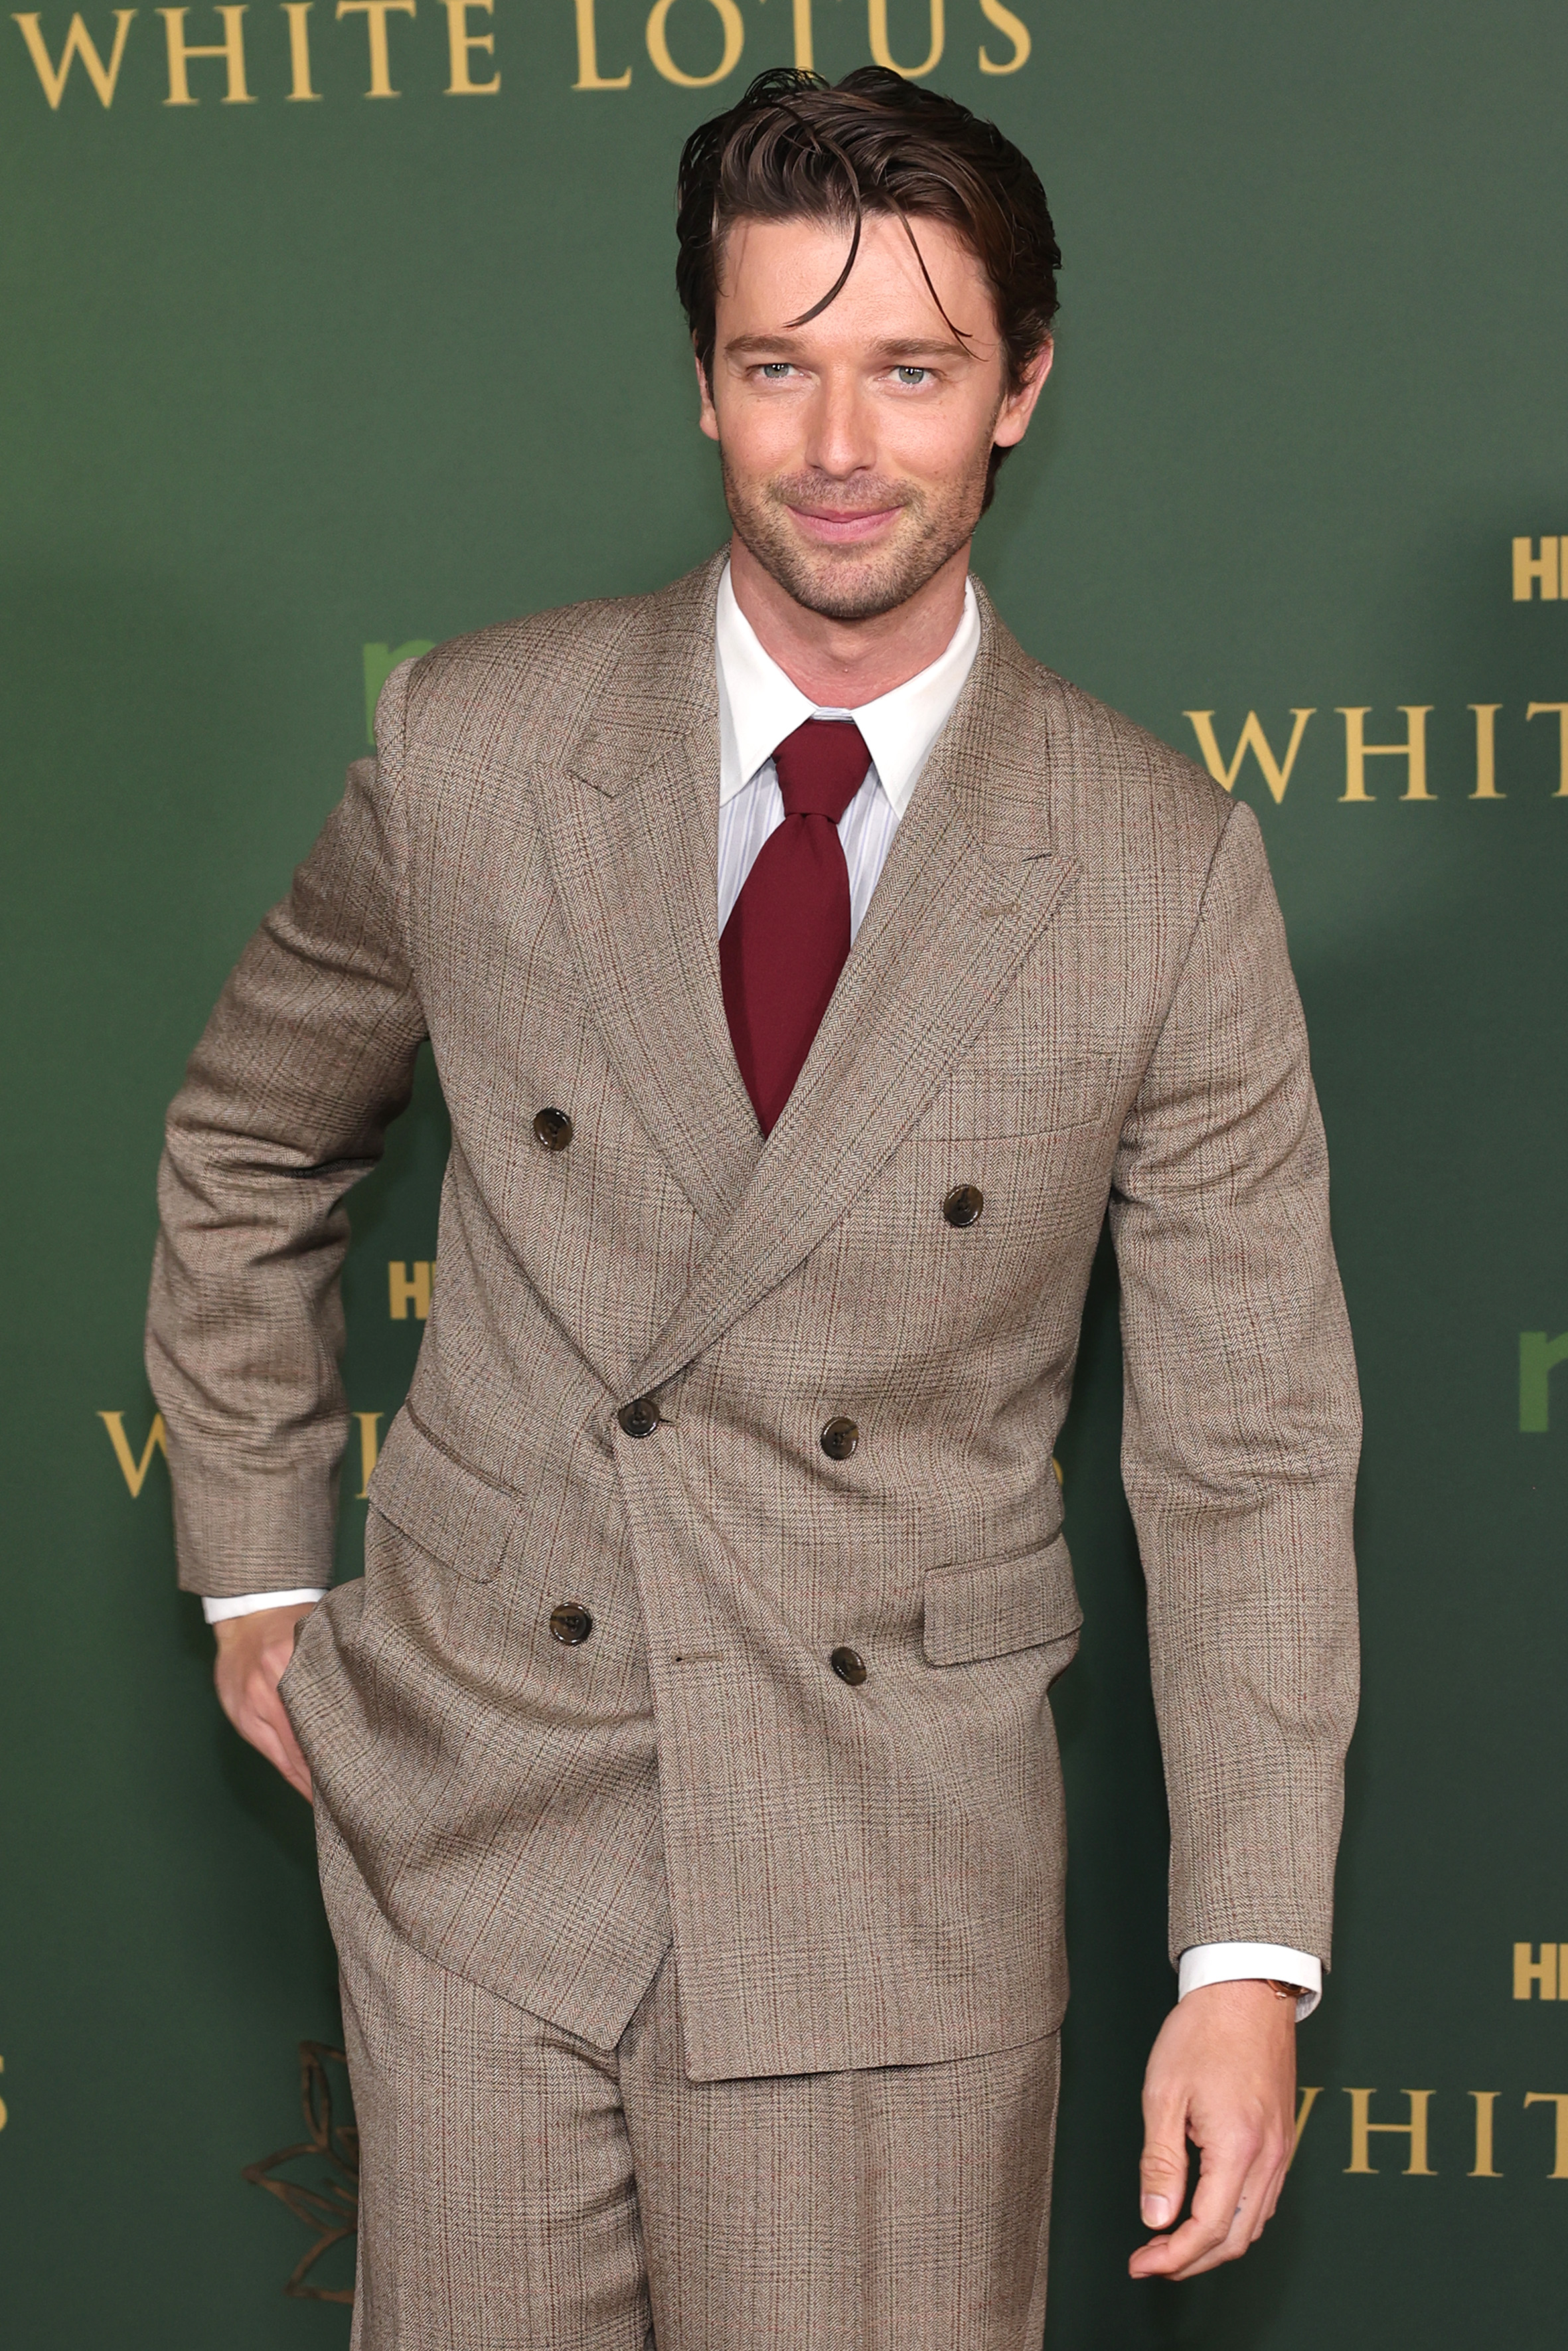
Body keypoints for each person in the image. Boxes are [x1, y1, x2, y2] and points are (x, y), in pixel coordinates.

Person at [147, 65, 1360, 2350]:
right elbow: (249, 1138)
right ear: (697, 378)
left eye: (906, 370)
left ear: (1018, 392)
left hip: (885, 1860)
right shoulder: (477, 750)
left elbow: (1248, 1447)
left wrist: (1244, 1960)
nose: (835, 444)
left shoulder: (1153, 868)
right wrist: (257, 1551)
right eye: (774, 362)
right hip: (479, 1816)